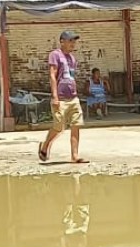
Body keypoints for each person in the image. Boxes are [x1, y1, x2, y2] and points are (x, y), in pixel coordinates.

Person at [38, 31, 88, 164]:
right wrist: (55, 96)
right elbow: (52, 75)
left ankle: (75, 155)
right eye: (70, 40)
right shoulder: (55, 55)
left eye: (74, 41)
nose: (73, 43)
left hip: (73, 97)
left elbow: (71, 77)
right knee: (59, 127)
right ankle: (45, 145)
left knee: (76, 125)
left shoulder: (72, 58)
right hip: (60, 98)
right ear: (62, 41)